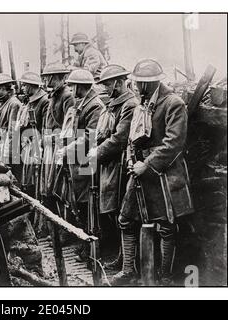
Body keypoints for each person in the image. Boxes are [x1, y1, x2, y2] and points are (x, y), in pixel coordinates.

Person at [110, 59, 194, 285]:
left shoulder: (173, 104)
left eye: (138, 83)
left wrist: (147, 164)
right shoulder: (141, 104)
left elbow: (174, 143)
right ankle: (129, 271)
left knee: (166, 225)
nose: (135, 87)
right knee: (126, 219)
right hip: (138, 173)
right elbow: (131, 138)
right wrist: (130, 160)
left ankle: (165, 276)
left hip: (163, 175)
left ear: (148, 84)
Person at [87, 65, 139, 270]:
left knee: (121, 212)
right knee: (112, 212)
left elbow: (119, 139)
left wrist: (97, 152)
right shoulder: (114, 104)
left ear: (119, 82)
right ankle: (122, 255)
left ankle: (129, 263)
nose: (106, 89)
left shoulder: (129, 104)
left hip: (120, 167)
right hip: (109, 166)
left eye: (108, 84)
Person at [55, 69, 104, 261]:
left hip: (86, 161)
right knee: (79, 203)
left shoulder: (95, 106)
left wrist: (69, 149)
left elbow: (90, 136)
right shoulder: (81, 103)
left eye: (73, 85)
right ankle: (86, 243)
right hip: (77, 160)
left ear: (81, 86)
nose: (71, 88)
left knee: (88, 205)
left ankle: (92, 248)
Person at [40, 63, 75, 215]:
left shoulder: (67, 96)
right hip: (51, 145)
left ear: (58, 78)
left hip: (60, 146)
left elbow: (69, 125)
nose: (47, 81)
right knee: (49, 186)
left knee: (60, 186)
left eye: (49, 77)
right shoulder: (54, 95)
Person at [16, 72, 49, 196]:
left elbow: (45, 126)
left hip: (37, 146)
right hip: (27, 145)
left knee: (37, 179)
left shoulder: (44, 101)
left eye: (24, 85)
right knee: (28, 179)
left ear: (31, 86)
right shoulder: (29, 101)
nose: (23, 88)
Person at [0, 73, 22, 170]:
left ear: (4, 88)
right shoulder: (1, 103)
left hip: (6, 146)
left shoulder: (14, 104)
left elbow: (13, 131)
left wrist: (9, 154)